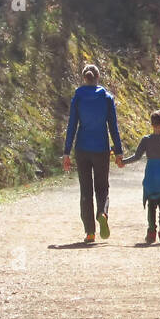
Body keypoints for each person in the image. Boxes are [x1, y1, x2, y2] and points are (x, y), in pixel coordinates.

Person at [62, 64, 124, 242]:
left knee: (86, 191)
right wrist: (118, 151)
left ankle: (90, 232)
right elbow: (113, 127)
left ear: (84, 78)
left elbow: (72, 125)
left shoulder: (78, 97)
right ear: (98, 77)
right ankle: (102, 213)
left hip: (82, 149)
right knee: (102, 188)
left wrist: (66, 152)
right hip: (101, 149)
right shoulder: (106, 97)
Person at [123, 110, 160, 245]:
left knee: (151, 206)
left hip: (151, 178)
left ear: (151, 124)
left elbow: (136, 157)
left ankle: (151, 232)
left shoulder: (146, 140)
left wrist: (123, 162)